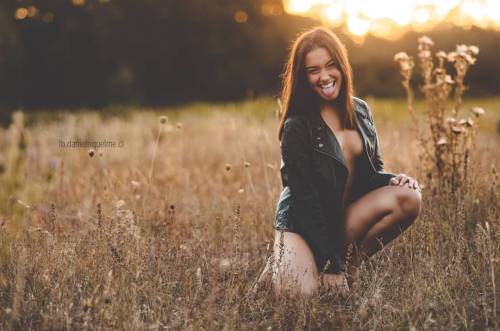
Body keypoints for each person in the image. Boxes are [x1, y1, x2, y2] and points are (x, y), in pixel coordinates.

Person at [268, 27, 422, 296]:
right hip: (303, 223)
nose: (324, 76)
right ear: (303, 77)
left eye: (330, 66)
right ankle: (287, 261)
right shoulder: (297, 126)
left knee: (409, 196)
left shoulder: (360, 110)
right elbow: (304, 200)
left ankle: (350, 267)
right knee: (301, 295)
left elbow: (373, 170)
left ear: (342, 66)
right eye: (313, 70)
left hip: (342, 219)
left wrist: (394, 180)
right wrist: (330, 262)